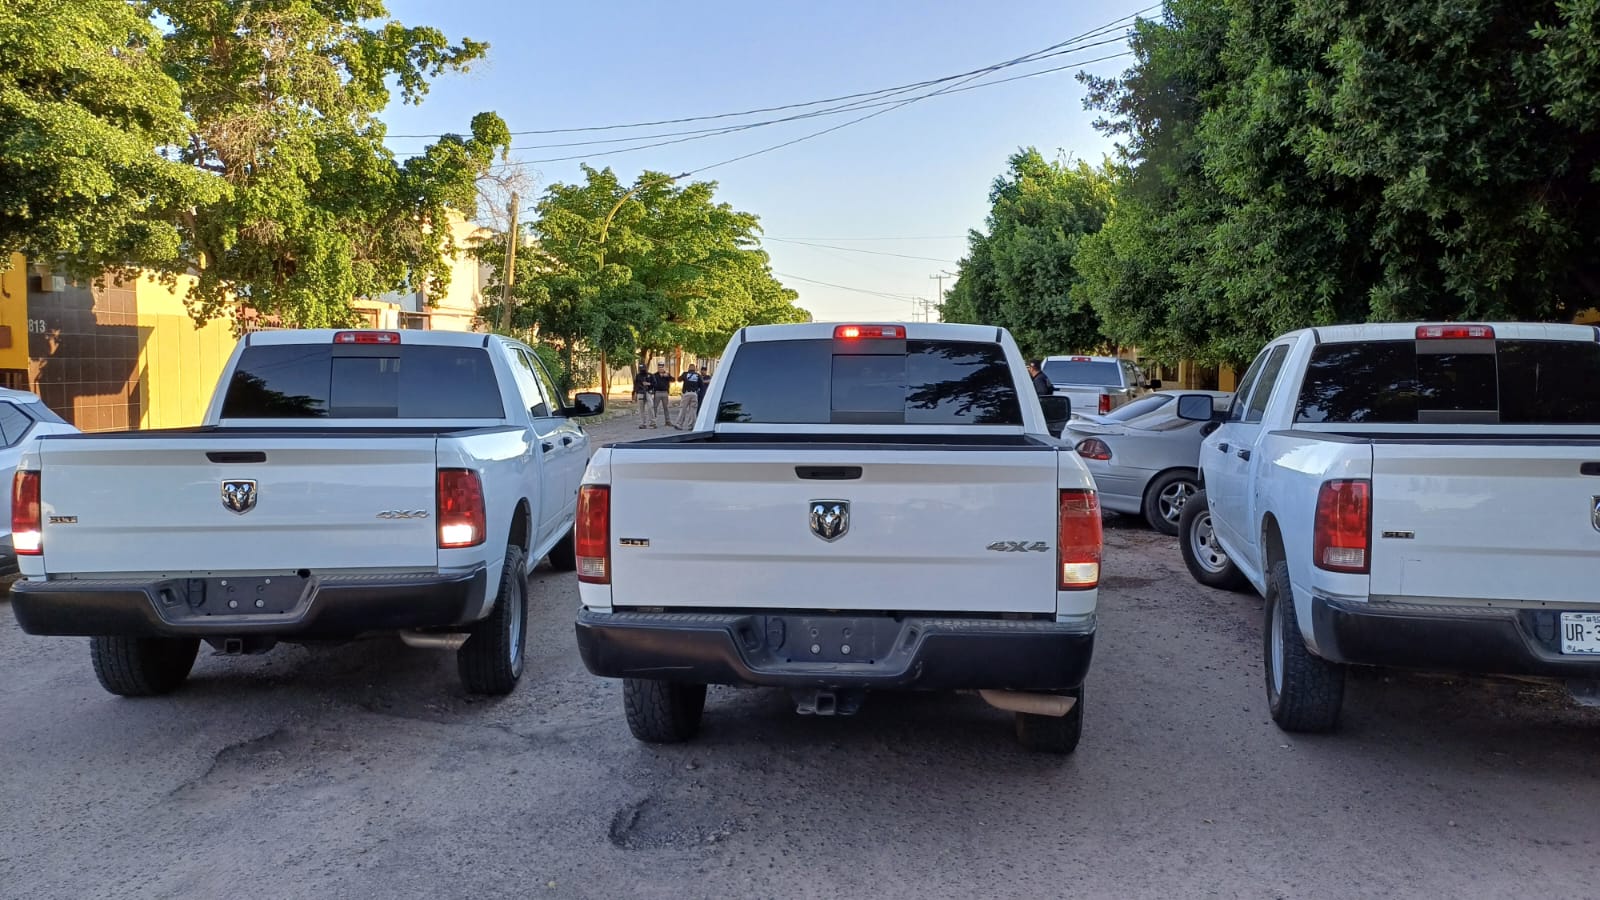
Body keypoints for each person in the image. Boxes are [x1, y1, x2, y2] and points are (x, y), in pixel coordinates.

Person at [675, 364, 705, 429]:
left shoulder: (685, 374)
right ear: (695, 369)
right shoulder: (698, 375)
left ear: (688, 368)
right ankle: (691, 425)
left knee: (683, 409)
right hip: (694, 394)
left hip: (686, 393)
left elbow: (679, 379)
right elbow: (702, 386)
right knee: (693, 411)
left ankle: (679, 424)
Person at [647, 362, 673, 428]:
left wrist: (668, 376)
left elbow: (673, 380)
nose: (661, 369)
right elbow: (651, 383)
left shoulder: (667, 374)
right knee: (655, 407)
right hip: (657, 392)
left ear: (664, 367)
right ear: (658, 368)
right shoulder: (655, 375)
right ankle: (653, 422)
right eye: (659, 367)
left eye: (662, 367)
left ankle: (668, 421)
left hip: (665, 392)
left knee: (666, 407)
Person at [633, 363, 653, 429]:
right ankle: (643, 423)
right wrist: (635, 393)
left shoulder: (650, 375)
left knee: (650, 407)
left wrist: (649, 384)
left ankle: (652, 423)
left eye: (643, 369)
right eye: (641, 369)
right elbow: (635, 385)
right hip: (640, 393)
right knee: (641, 409)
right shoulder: (638, 376)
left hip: (648, 392)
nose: (642, 370)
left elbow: (655, 384)